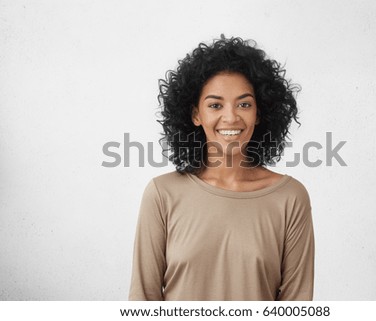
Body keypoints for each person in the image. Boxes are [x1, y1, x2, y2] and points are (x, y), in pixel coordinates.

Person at [129, 36, 315, 301]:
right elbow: (142, 302)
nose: (231, 117)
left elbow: (297, 307)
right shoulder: (162, 194)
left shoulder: (290, 198)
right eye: (215, 105)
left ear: (259, 113)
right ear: (196, 115)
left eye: (244, 104)